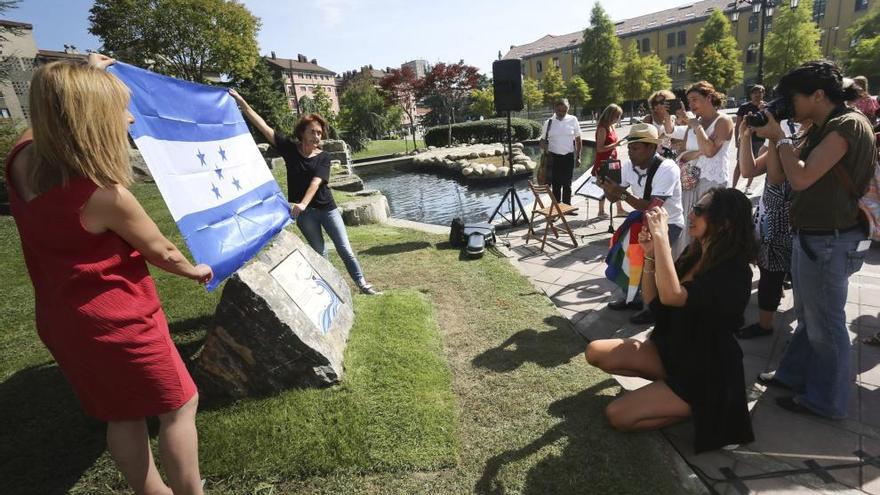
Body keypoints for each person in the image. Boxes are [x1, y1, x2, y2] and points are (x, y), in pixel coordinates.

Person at [6, 55, 210, 495]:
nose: (130, 117)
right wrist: (196, 271)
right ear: (90, 120)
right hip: (120, 325)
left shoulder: (20, 160)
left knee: (122, 414)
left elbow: (44, 121)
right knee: (180, 405)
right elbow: (164, 251)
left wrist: (85, 74)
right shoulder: (104, 195)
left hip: (63, 324)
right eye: (120, 108)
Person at [585, 188, 756, 453]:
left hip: (706, 373)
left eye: (699, 210)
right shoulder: (696, 252)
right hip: (676, 351)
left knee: (617, 415)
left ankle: (697, 408)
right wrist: (651, 252)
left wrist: (662, 237)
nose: (691, 214)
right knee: (595, 351)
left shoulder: (735, 273)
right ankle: (666, 391)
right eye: (694, 208)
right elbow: (656, 301)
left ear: (725, 223)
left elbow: (673, 295)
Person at [756, 60, 875, 419]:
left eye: (793, 97)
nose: (789, 104)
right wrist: (773, 140)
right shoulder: (823, 126)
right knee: (811, 316)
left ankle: (826, 400)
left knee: (827, 325)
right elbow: (781, 178)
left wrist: (781, 138)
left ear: (818, 95)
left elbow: (803, 178)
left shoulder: (847, 125)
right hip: (811, 236)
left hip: (829, 241)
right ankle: (793, 375)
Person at [230, 90, 380, 295]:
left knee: (345, 248)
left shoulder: (323, 157)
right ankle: (331, 290)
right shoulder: (290, 150)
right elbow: (263, 127)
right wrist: (242, 102)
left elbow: (315, 183)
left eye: (319, 133)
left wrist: (302, 203)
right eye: (312, 131)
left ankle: (362, 284)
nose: (316, 136)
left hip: (327, 209)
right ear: (302, 133)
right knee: (320, 253)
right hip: (305, 215)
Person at [599, 123, 684, 325]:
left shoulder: (667, 168)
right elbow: (613, 200)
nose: (630, 152)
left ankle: (651, 309)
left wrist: (620, 193)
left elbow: (653, 208)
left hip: (667, 223)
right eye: (629, 147)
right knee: (628, 258)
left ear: (651, 148)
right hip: (643, 218)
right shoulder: (629, 166)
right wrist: (607, 187)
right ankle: (633, 298)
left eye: (635, 148)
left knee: (651, 265)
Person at [734, 117, 801, 339]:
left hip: (788, 222)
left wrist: (775, 138)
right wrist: (745, 137)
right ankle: (768, 322)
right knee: (770, 275)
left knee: (782, 277)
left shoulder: (801, 142)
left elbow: (775, 177)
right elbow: (747, 170)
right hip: (769, 217)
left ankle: (775, 325)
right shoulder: (785, 139)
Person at [671, 81, 735, 253]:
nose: (691, 105)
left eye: (694, 99)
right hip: (690, 181)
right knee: (688, 228)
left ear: (709, 98)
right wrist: (698, 152)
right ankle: (685, 269)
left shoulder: (723, 121)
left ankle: (706, 271)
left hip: (712, 183)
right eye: (689, 100)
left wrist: (696, 127)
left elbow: (710, 151)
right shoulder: (694, 122)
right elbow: (681, 153)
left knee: (709, 229)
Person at [540, 98, 582, 209]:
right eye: (559, 110)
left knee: (567, 183)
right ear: (555, 109)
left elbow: (578, 139)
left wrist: (578, 156)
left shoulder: (573, 119)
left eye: (564, 110)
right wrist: (544, 146)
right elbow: (542, 140)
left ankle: (567, 207)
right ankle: (556, 208)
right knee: (556, 185)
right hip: (553, 157)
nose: (562, 113)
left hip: (568, 156)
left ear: (568, 109)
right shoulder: (548, 122)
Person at [593, 104, 627, 218]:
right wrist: (615, 144)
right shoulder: (602, 128)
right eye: (617, 116)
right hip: (603, 162)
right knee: (604, 186)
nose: (618, 119)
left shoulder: (611, 126)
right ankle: (601, 211)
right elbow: (599, 148)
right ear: (610, 115)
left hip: (612, 161)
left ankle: (620, 209)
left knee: (616, 185)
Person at [734, 85, 766, 194]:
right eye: (755, 92)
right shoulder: (744, 107)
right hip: (745, 138)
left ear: (763, 94)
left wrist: (764, 111)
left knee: (754, 163)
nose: (757, 95)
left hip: (760, 139)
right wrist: (736, 139)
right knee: (739, 163)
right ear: (750, 94)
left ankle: (748, 186)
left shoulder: (766, 107)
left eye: (760, 92)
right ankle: (733, 187)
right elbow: (738, 124)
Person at [642, 90, 677, 157]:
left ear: (669, 102)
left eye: (661, 102)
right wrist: (663, 136)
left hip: (670, 155)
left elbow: (676, 141)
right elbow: (644, 143)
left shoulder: (673, 118)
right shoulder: (649, 119)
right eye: (655, 103)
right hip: (653, 157)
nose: (658, 105)